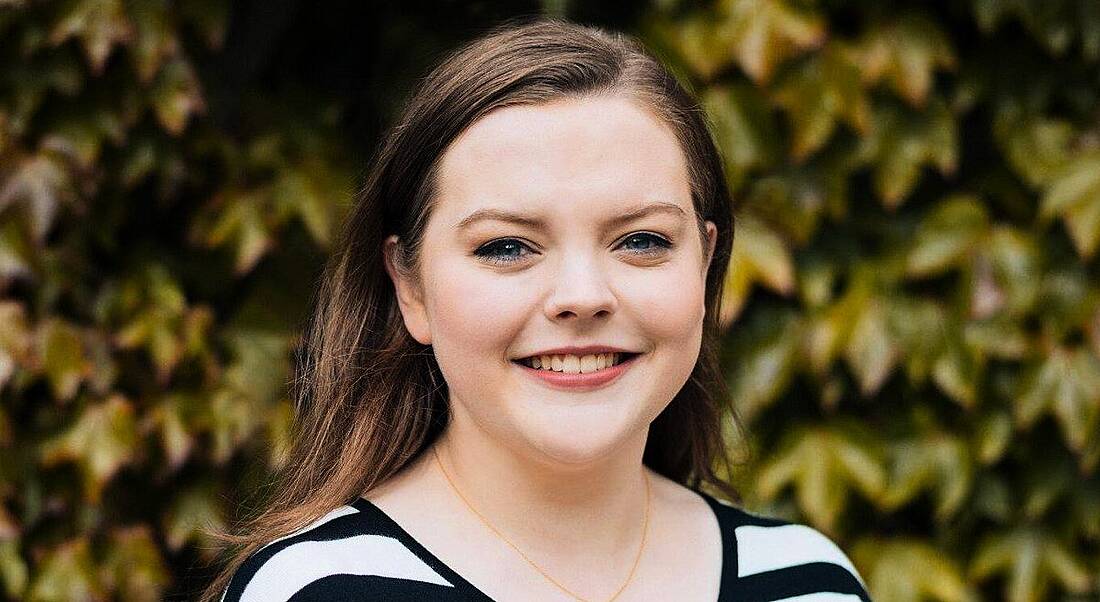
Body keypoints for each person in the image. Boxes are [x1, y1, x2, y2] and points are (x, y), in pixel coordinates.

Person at [207, 17, 872, 602]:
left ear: (704, 262)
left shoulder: (809, 581)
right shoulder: (315, 591)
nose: (582, 296)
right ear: (410, 288)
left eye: (640, 240)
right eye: (506, 247)